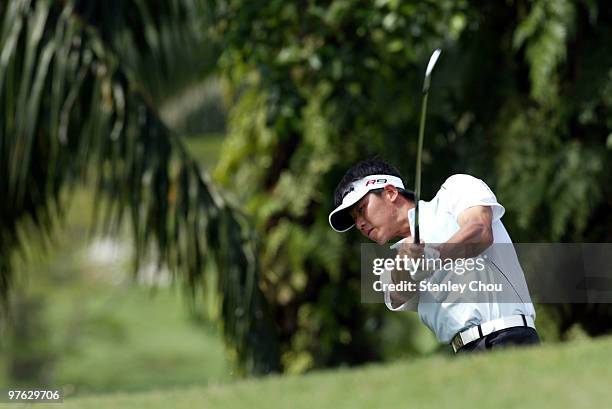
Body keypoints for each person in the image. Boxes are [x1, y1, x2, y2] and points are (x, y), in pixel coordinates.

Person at [328, 158, 540, 354]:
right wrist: (406, 262)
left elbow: (481, 231)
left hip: (510, 335)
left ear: (390, 192)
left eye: (362, 209)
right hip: (465, 354)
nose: (360, 223)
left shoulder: (454, 191)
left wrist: (433, 256)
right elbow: (399, 292)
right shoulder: (393, 264)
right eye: (355, 219)